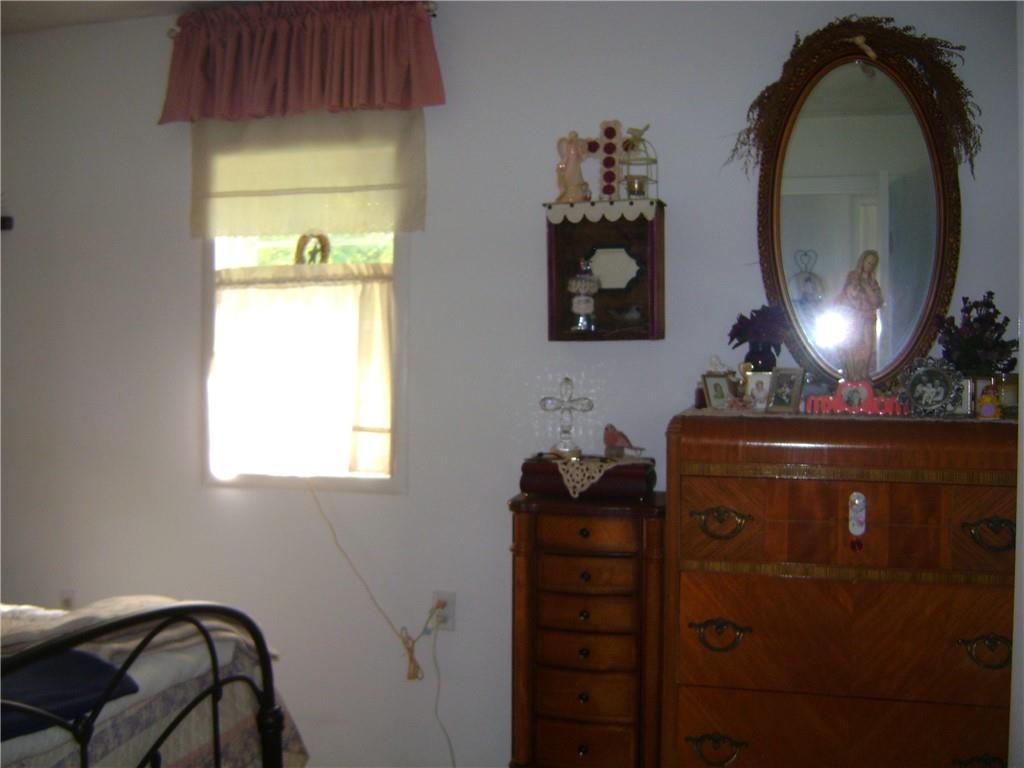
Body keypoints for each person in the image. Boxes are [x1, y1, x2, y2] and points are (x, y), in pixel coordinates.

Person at [835, 249, 883, 382]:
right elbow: (850, 295)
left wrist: (866, 286)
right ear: (862, 262)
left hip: (868, 318)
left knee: (868, 346)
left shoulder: (872, 282)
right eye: (868, 262)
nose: (870, 266)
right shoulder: (853, 277)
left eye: (873, 264)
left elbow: (877, 301)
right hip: (854, 318)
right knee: (852, 345)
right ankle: (852, 374)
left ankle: (863, 373)